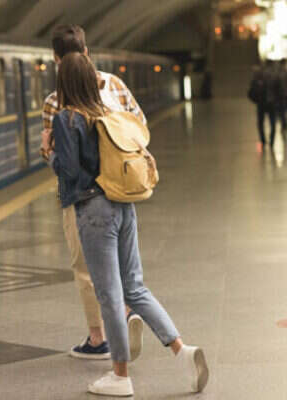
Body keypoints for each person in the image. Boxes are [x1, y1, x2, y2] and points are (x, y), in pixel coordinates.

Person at [44, 52, 209, 397]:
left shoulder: (67, 118)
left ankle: (120, 376)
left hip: (94, 210)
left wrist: (50, 152)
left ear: (64, 83)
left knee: (109, 294)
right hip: (124, 205)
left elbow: (69, 172)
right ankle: (182, 350)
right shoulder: (107, 113)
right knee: (135, 287)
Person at [40, 24, 145, 361]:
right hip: (120, 188)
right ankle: (129, 312)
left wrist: (47, 151)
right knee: (124, 265)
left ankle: (98, 337)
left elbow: (62, 164)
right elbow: (140, 129)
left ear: (56, 59)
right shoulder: (116, 86)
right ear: (86, 51)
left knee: (85, 266)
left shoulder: (54, 102)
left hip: (80, 197)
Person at [249, 60, 280, 148]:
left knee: (263, 122)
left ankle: (265, 139)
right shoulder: (273, 76)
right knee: (270, 122)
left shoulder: (260, 76)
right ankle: (268, 140)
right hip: (267, 102)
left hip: (264, 103)